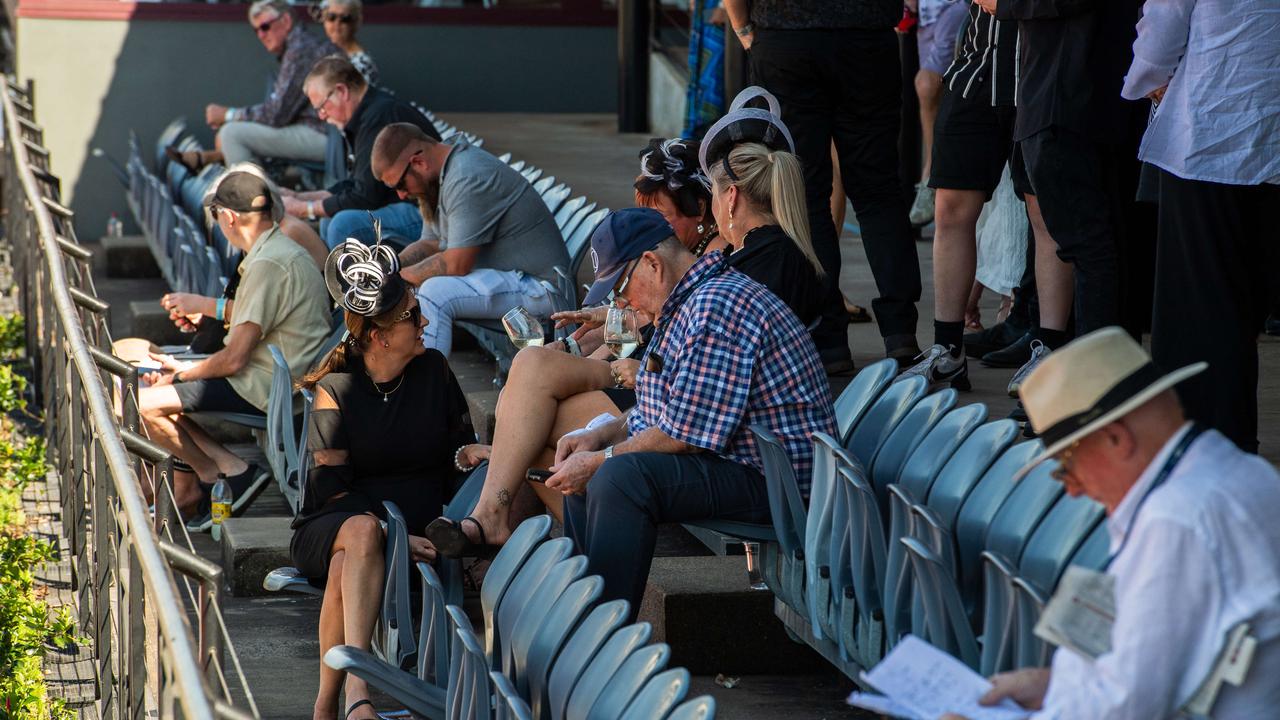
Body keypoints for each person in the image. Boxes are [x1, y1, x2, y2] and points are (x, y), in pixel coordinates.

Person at [942, 327, 1280, 719]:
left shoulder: (1175, 518)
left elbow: (1128, 703)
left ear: (1117, 439)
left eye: (1065, 467)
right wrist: (1053, 685)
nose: (1072, 490)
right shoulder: (1234, 470)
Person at [545, 209, 834, 616]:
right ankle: (585, 613)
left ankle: (602, 631)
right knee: (588, 472)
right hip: (742, 462)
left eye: (621, 289)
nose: (621, 303)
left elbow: (684, 433)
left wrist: (604, 458)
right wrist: (604, 435)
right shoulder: (686, 301)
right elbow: (668, 403)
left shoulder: (717, 305)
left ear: (652, 264)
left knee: (618, 478)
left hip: (781, 483)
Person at [290, 239, 485, 720]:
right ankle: (359, 688)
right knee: (359, 534)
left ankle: (326, 706)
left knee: (346, 568)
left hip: (414, 529)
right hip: (336, 521)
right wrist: (391, 533)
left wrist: (471, 455)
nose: (426, 324)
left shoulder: (435, 370)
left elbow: (451, 457)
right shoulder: (336, 390)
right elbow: (329, 490)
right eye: (414, 317)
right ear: (380, 336)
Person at [724, 1, 923, 370]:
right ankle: (900, 332)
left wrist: (743, 30)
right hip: (867, 39)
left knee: (804, 195)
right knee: (879, 191)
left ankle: (828, 336)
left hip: (786, 38)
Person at [1122, 0, 1280, 454]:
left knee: (1200, 300)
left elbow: (1164, 25)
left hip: (1211, 128)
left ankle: (1202, 432)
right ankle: (1227, 431)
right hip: (1263, 123)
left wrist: (1146, 80)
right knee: (1246, 297)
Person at [138, 170, 332, 519]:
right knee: (155, 393)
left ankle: (217, 472)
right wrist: (183, 372)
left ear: (227, 217)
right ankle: (232, 468)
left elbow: (234, 359)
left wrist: (184, 374)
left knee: (144, 404)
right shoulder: (274, 250)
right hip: (272, 377)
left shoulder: (269, 261)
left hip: (267, 387)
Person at [897, 1, 1025, 390]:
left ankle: (1048, 346)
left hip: (1043, 71)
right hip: (977, 69)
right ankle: (947, 348)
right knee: (950, 208)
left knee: (1046, 215)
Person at [370, 122, 569, 357]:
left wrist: (394, 279)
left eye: (400, 185)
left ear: (418, 162)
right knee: (412, 286)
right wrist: (386, 267)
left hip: (543, 289)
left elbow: (456, 264)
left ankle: (427, 386)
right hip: (510, 278)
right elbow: (431, 244)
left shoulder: (467, 176)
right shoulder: (439, 177)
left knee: (435, 293)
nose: (401, 195)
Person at [279, 56, 440, 250]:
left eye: (322, 107)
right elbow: (358, 184)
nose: (322, 116)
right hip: (402, 204)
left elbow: (365, 196)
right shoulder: (369, 113)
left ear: (341, 91)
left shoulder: (379, 117)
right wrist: (302, 197)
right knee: (329, 219)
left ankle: (348, 280)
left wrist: (305, 209)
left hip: (429, 213)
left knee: (343, 224)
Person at [171, 1, 338, 171]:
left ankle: (252, 196)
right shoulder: (297, 47)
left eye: (265, 27)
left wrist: (229, 115)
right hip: (314, 131)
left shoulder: (301, 49)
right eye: (256, 30)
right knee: (231, 132)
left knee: (232, 134)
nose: (261, 35)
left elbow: (276, 115)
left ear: (286, 21)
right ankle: (216, 162)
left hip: (329, 137)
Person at [707, 141, 825, 326]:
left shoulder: (767, 258)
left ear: (731, 196)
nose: (712, 208)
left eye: (713, 194)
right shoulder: (775, 249)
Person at [906, 0, 968, 227]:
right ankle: (938, 175)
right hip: (926, 15)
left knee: (926, 83)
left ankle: (929, 174)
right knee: (938, 94)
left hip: (955, 7)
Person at [316, 0, 378, 84]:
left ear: (357, 22)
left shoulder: (362, 64)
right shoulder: (322, 51)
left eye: (345, 18)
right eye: (331, 17)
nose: (337, 23)